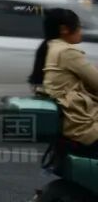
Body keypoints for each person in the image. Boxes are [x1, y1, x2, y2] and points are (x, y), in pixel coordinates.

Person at [28, 8, 98, 152]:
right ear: (64, 29)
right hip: (84, 126)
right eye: (78, 26)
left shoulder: (50, 47)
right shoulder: (67, 52)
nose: (80, 31)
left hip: (71, 121)